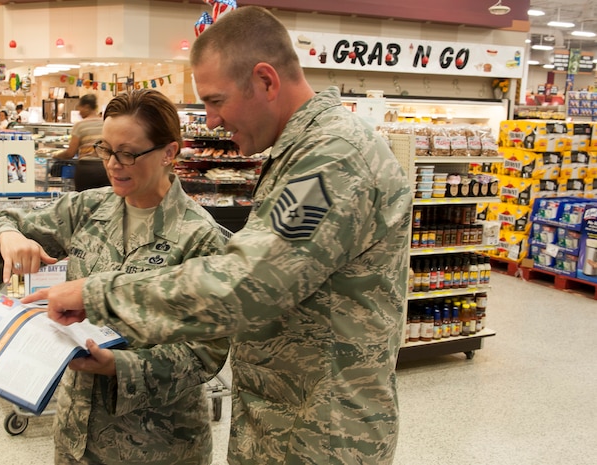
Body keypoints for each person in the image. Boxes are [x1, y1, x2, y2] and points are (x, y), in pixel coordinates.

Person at [25, 6, 412, 464]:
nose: (209, 121)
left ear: (266, 81)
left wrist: (99, 293)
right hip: (287, 425)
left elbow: (247, 283)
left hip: (322, 437)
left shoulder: (332, 158)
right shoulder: (304, 151)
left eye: (216, 100)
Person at [0, 89, 230, 465]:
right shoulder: (89, 208)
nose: (113, 164)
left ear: (168, 153)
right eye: (105, 150)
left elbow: (205, 354)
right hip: (78, 433)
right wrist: (7, 237)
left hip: (157, 444)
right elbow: (4, 221)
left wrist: (118, 366)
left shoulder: (198, 236)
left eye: (127, 153)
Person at [53, 94, 108, 191]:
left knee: (83, 202)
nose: (79, 113)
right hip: (105, 168)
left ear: (86, 107)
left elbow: (70, 153)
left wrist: (56, 155)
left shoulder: (80, 125)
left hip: (86, 169)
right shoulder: (105, 123)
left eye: (80, 109)